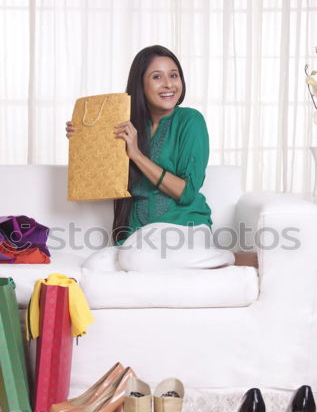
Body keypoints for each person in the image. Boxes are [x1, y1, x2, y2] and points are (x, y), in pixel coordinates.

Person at [66, 45, 256, 271]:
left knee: (135, 260)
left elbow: (186, 192)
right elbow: (105, 182)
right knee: (94, 266)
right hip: (139, 235)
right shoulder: (128, 127)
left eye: (174, 75)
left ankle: (229, 257)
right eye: (157, 77)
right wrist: (83, 140)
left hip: (183, 228)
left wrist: (136, 154)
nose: (169, 84)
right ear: (141, 84)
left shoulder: (190, 121)